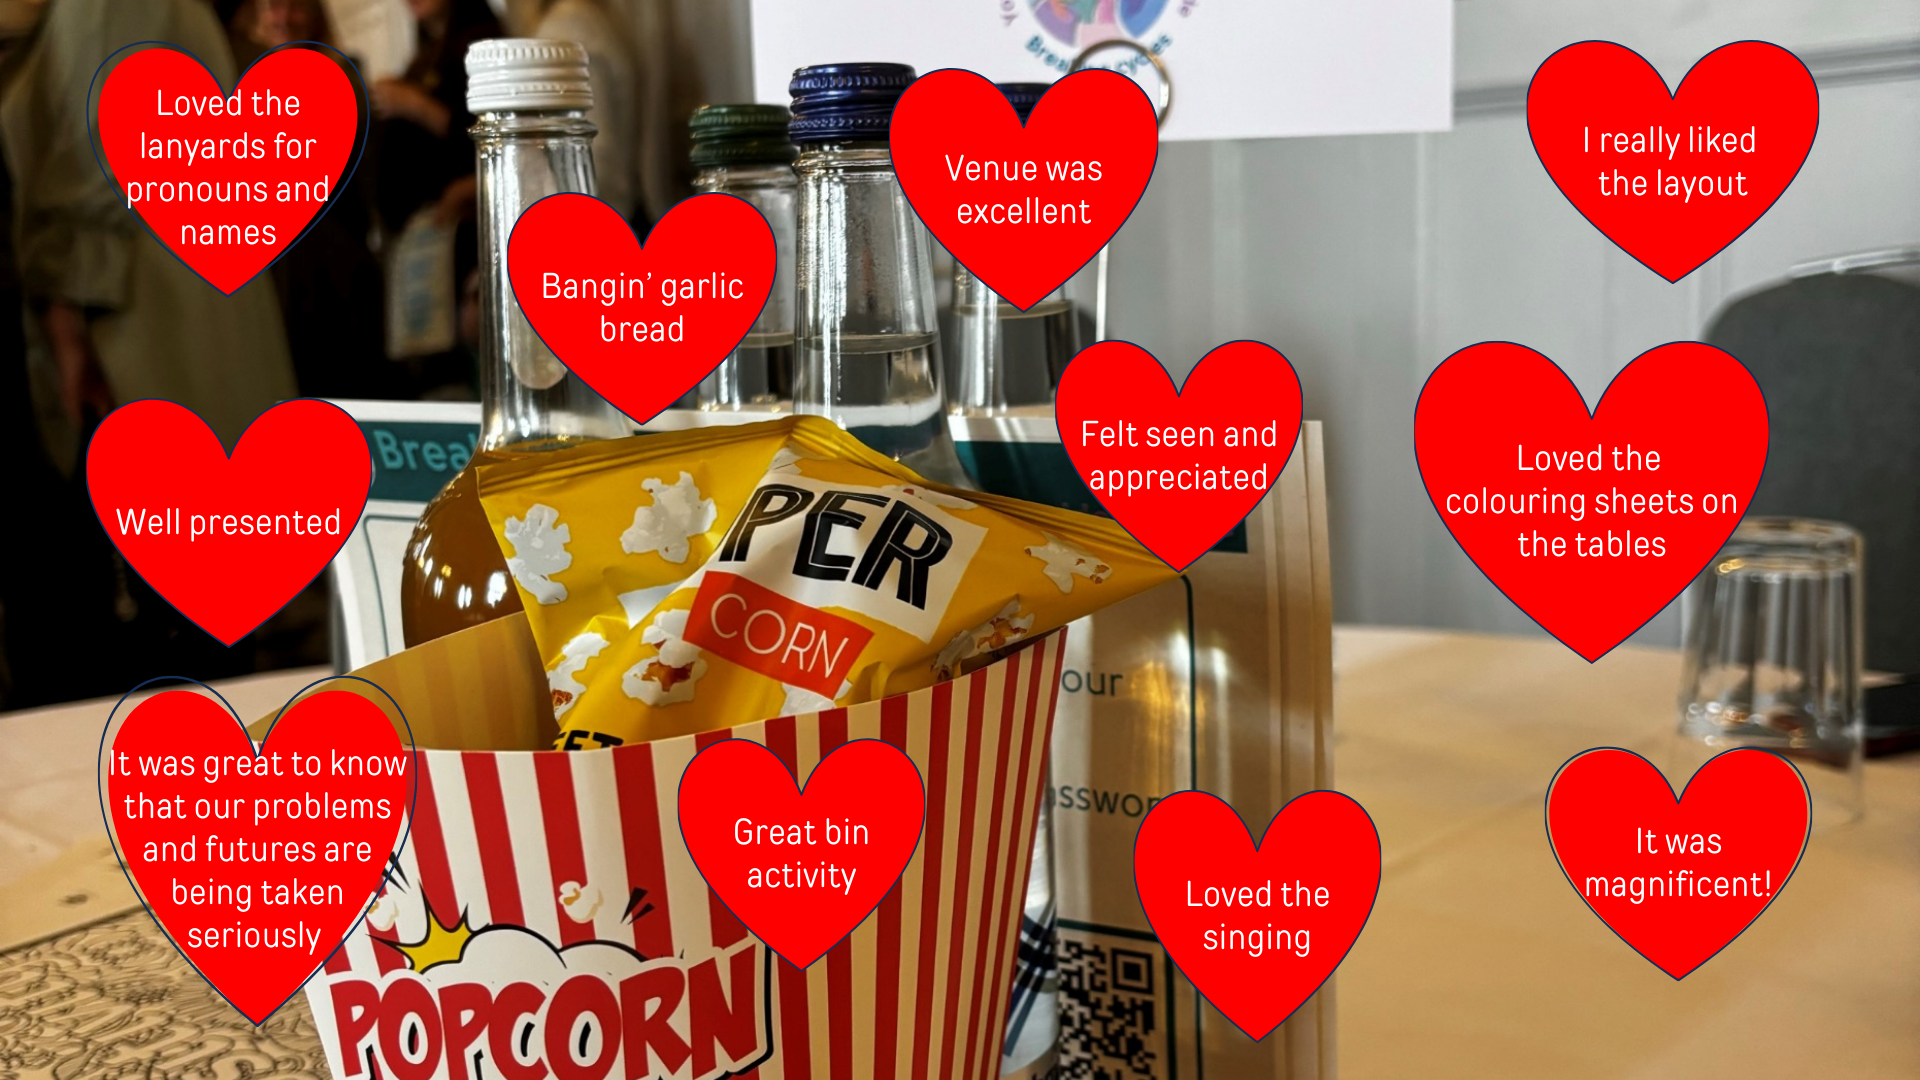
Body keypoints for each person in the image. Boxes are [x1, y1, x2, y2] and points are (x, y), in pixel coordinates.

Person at [0, 0, 300, 700]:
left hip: (126, 343)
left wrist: (69, 316)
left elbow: (91, 159)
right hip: (143, 334)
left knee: (118, 636)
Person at [534, 0, 671, 227]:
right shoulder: (591, 20)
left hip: (599, 224)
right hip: (618, 214)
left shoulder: (569, 28)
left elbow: (597, 156)